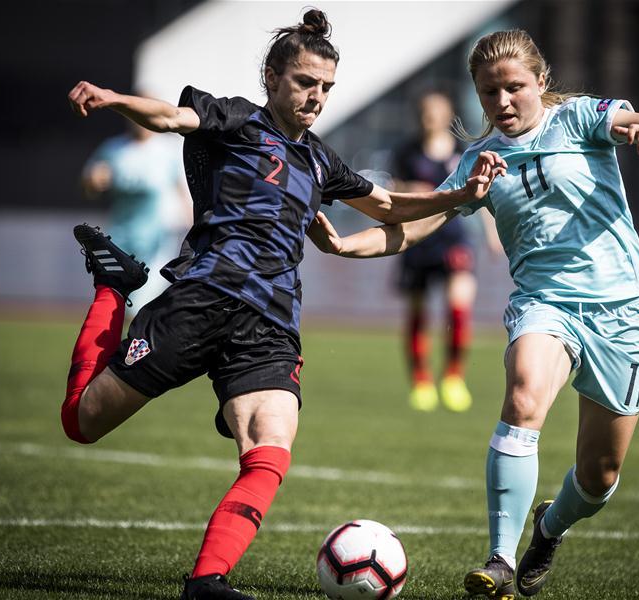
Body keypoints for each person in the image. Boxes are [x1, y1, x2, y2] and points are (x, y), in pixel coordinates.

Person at [63, 10, 501, 600]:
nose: (316, 97)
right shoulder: (237, 118)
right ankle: (115, 287)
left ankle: (207, 583)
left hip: (269, 323)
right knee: (82, 423)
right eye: (305, 83)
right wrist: (115, 98)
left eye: (326, 88)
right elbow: (169, 116)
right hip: (202, 297)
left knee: (270, 449)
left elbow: (392, 209)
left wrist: (460, 197)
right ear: (273, 77)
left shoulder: (322, 160)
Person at [310, 28, 639, 599]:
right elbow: (412, 228)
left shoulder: (583, 119)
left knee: (599, 478)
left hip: (624, 312)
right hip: (545, 306)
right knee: (523, 396)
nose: (504, 102)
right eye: (490, 93)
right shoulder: (478, 164)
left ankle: (549, 528)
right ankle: (500, 560)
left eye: (514, 87)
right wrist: (345, 245)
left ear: (540, 82)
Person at [390, 92, 491, 413]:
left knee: (458, 304)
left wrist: (492, 233)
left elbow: (481, 192)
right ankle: (421, 380)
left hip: (453, 239)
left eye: (435, 112)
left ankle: (453, 376)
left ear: (447, 115)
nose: (429, 117)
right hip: (418, 239)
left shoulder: (463, 152)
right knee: (418, 311)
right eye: (424, 111)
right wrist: (410, 191)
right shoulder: (406, 152)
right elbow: (392, 191)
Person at [81, 120, 190, 313]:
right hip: (120, 237)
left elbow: (183, 189)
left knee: (139, 307)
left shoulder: (168, 149)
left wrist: (192, 221)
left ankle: (133, 342)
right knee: (113, 302)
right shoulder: (113, 148)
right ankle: (115, 343)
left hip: (157, 241)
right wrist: (93, 181)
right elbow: (89, 185)